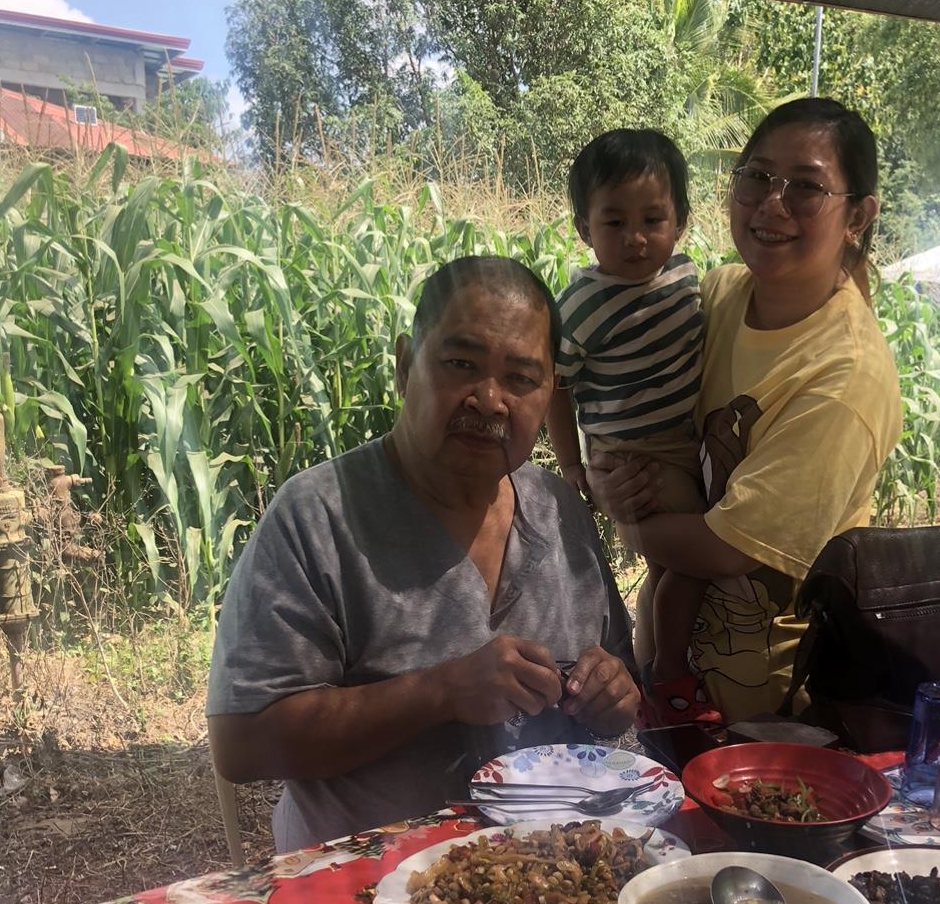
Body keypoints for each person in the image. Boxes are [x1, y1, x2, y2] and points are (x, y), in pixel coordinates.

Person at [208, 255, 640, 852]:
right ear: (405, 364)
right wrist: (440, 693)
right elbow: (241, 742)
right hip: (367, 881)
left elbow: (619, 675)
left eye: (521, 378)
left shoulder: (560, 510)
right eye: (461, 364)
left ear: (549, 395)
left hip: (550, 873)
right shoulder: (318, 517)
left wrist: (612, 695)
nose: (489, 400)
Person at [587, 97, 902, 724]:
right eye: (757, 176)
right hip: (672, 695)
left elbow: (727, 549)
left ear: (857, 216)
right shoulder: (716, 295)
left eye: (806, 187)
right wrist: (603, 478)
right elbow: (625, 400)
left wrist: (615, 519)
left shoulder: (845, 377)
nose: (772, 204)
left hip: (773, 720)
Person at [545, 128, 715, 725]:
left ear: (681, 221)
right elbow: (556, 386)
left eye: (653, 219)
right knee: (694, 561)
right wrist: (575, 465)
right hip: (634, 454)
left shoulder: (687, 277)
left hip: (684, 443)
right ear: (583, 229)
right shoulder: (582, 304)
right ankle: (670, 672)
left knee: (666, 569)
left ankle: (651, 675)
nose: (636, 238)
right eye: (614, 222)